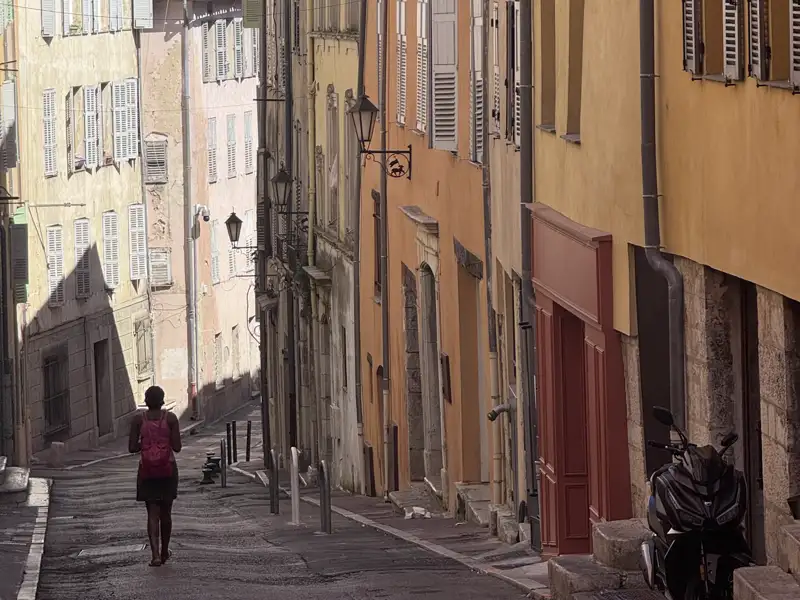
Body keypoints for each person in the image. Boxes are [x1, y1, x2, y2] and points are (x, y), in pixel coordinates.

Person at [129, 386, 182, 567]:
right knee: (166, 512)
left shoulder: (138, 420)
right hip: (168, 469)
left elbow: (131, 448)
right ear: (162, 400)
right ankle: (165, 550)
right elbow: (177, 447)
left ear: (145, 401)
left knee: (152, 512)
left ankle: (155, 555)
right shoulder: (171, 419)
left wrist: (146, 444)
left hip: (147, 470)